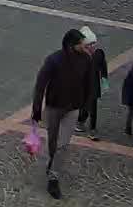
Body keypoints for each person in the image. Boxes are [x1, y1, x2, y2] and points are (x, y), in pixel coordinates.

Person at [31, 27, 96, 199]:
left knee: (63, 144)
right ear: (71, 45)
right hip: (54, 108)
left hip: (73, 109)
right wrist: (37, 109)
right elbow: (40, 85)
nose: (85, 46)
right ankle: (52, 163)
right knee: (52, 142)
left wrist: (86, 108)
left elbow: (90, 84)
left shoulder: (86, 60)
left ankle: (54, 179)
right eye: (82, 44)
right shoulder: (54, 60)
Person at [75, 25, 107, 139]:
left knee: (93, 108)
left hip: (94, 85)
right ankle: (80, 121)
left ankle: (92, 129)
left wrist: (104, 80)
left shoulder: (99, 53)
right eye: (90, 45)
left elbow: (103, 67)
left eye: (94, 43)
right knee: (84, 107)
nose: (93, 46)